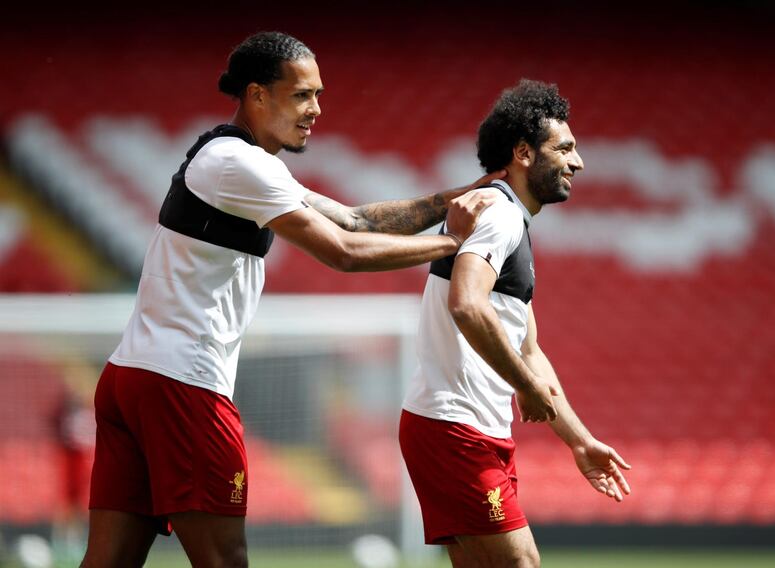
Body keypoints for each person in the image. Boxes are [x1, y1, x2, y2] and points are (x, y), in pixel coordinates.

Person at [80, 31, 500, 568]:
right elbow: (344, 250)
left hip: (132, 377)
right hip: (181, 384)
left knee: (108, 561)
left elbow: (356, 219)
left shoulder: (233, 158)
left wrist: (455, 197)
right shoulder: (240, 166)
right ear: (258, 95)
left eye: (318, 95)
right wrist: (455, 243)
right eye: (303, 95)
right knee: (226, 560)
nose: (316, 109)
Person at [399, 79, 632, 568]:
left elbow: (531, 352)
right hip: (454, 426)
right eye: (564, 148)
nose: (578, 161)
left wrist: (580, 441)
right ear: (524, 153)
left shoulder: (510, 221)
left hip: (465, 428)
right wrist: (524, 386)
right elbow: (467, 304)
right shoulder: (500, 215)